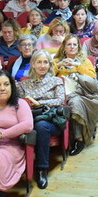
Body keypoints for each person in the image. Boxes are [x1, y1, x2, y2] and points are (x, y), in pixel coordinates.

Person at [18, 50, 66, 189]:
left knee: (41, 126)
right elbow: (19, 102)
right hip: (30, 118)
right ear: (32, 64)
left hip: (52, 119)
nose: (42, 65)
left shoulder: (56, 81)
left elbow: (60, 100)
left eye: (45, 62)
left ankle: (41, 169)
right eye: (39, 62)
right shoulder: (24, 84)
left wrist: (40, 103)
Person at [53, 34, 98, 155]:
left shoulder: (84, 61)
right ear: (64, 47)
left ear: (78, 47)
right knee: (72, 103)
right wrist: (59, 65)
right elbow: (48, 75)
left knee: (75, 103)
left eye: (74, 44)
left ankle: (79, 139)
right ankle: (70, 139)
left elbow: (92, 78)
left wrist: (78, 66)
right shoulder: (56, 60)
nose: (72, 47)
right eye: (69, 44)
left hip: (83, 92)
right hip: (62, 94)